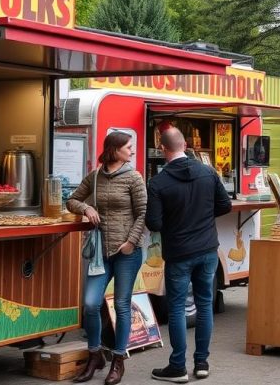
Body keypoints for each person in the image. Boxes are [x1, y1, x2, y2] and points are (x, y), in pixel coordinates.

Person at [147, 128, 232, 382]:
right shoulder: (208, 172)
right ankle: (202, 363)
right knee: (205, 304)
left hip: (179, 252)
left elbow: (154, 223)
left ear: (163, 149)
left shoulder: (157, 183)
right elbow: (225, 205)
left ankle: (178, 367)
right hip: (207, 250)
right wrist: (203, 218)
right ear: (185, 145)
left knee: (176, 308)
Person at [67, 131, 147, 385]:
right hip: (101, 253)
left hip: (127, 252)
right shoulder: (96, 177)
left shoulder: (134, 177)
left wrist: (130, 242)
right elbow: (71, 200)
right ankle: (95, 355)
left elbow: (143, 214)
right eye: (128, 147)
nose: (132, 151)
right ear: (114, 149)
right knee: (91, 304)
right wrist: (86, 207)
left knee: (122, 306)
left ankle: (118, 360)